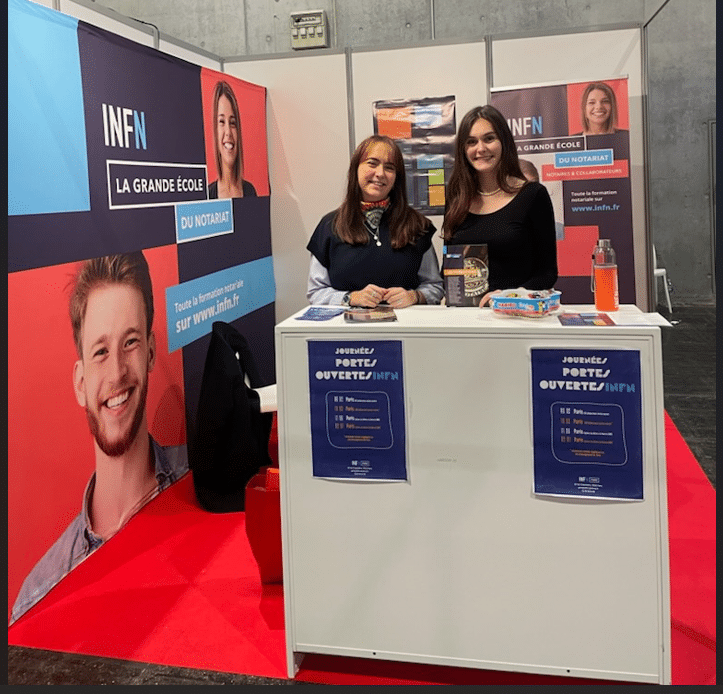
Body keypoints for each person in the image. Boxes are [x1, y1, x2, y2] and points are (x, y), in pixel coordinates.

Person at [10, 252, 188, 625]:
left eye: (131, 343)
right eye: (101, 351)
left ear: (151, 352)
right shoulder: (39, 598)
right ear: (80, 382)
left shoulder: (204, 480)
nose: (117, 372)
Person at [306, 134, 444, 308]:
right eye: (372, 163)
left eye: (389, 167)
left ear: (396, 178)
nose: (380, 173)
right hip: (347, 331)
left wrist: (415, 296)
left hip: (406, 330)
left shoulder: (418, 226)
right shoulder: (330, 225)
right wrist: (350, 298)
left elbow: (435, 287)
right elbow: (316, 292)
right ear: (356, 168)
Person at [442, 105, 558, 306]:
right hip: (466, 320)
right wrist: (448, 294)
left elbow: (547, 273)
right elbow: (449, 265)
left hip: (516, 318)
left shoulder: (533, 195)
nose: (480, 148)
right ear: (463, 149)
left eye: (489, 138)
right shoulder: (456, 198)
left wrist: (511, 297)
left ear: (504, 142)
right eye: (471, 142)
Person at [207, 80, 257, 199]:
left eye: (233, 123)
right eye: (222, 122)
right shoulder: (208, 195)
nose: (228, 132)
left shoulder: (250, 192)